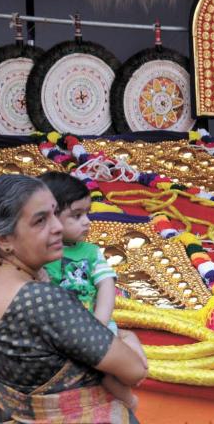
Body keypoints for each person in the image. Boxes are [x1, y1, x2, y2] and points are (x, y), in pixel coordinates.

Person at [0, 174, 147, 423]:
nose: (57, 226)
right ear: (4, 239)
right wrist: (128, 337)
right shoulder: (42, 301)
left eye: (55, 213)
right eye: (40, 221)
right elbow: (134, 371)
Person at [38, 171, 139, 410]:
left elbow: (106, 285)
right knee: (94, 373)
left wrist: (99, 323)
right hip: (63, 333)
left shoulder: (90, 252)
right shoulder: (39, 252)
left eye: (87, 213)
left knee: (129, 369)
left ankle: (128, 403)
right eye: (76, 215)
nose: (87, 221)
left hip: (96, 326)